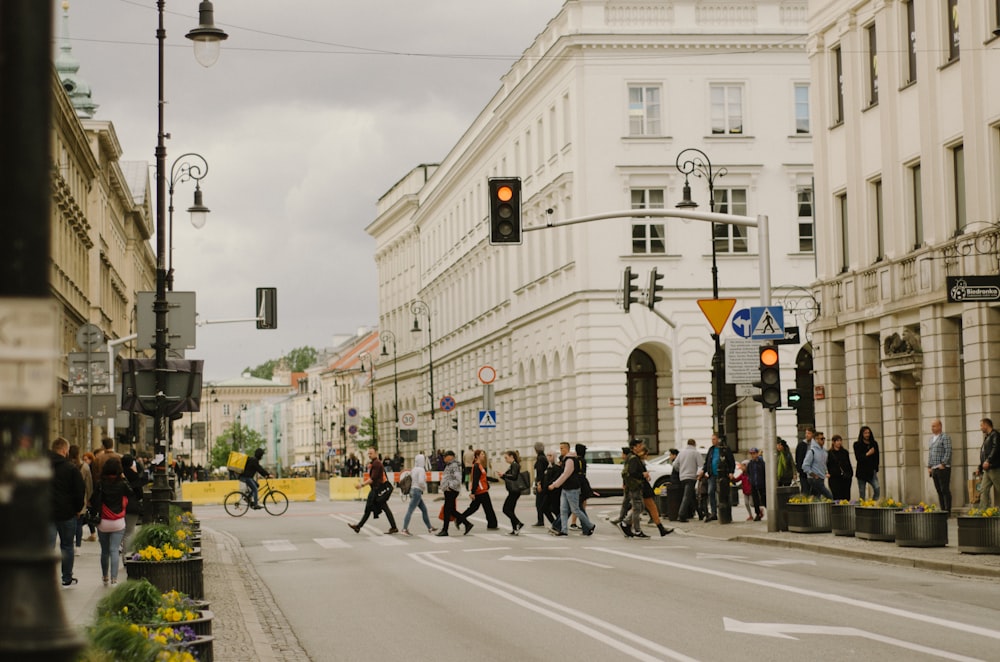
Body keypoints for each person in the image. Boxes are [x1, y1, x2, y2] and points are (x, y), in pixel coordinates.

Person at [91, 456, 133, 585]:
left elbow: (93, 500)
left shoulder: (100, 484)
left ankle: (105, 577)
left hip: (103, 521)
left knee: (105, 551)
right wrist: (124, 479)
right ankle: (114, 579)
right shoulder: (122, 484)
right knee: (114, 550)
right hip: (118, 522)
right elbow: (131, 493)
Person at [50, 437, 85, 587]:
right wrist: (77, 509)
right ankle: (66, 577)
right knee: (67, 546)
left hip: (45, 513)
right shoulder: (71, 469)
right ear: (65, 450)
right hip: (66, 513)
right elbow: (79, 491)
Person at [548, 442, 595, 536]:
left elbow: (566, 474)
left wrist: (554, 485)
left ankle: (590, 525)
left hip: (572, 488)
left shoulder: (570, 460)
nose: (560, 450)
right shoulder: (566, 459)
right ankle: (564, 530)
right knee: (563, 510)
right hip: (566, 488)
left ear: (567, 449)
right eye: (560, 448)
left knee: (575, 510)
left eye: (562, 448)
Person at [349, 447, 398, 534]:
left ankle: (359, 526)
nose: (369, 455)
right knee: (375, 508)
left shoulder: (377, 464)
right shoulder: (375, 463)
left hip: (377, 490)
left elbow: (372, 479)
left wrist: (361, 485)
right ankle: (359, 526)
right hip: (377, 490)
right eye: (368, 453)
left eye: (371, 453)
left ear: (376, 453)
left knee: (370, 508)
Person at [460, 449, 499, 529]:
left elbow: (483, 477)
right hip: (481, 490)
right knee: (488, 508)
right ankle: (492, 524)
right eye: (482, 454)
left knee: (473, 508)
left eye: (484, 454)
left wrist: (494, 479)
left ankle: (459, 519)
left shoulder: (480, 465)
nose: (484, 456)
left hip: (481, 490)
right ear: (477, 456)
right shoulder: (477, 466)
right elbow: (475, 480)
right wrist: (472, 492)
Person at [436, 450, 472, 536]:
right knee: (451, 510)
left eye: (445, 456)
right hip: (449, 490)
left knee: (447, 510)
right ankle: (467, 524)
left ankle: (445, 530)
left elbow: (458, 479)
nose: (444, 458)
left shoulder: (454, 465)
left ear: (451, 456)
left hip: (451, 490)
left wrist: (449, 486)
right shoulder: (449, 465)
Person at [700, 433, 735, 522]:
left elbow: (731, 461)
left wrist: (731, 472)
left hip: (723, 475)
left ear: (719, 439)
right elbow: (707, 461)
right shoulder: (711, 450)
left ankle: (725, 513)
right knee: (710, 492)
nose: (713, 441)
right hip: (712, 475)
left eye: (714, 439)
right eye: (712, 439)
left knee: (723, 494)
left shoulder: (725, 449)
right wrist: (703, 470)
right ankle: (714, 512)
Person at [400, 454, 436, 535]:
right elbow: (420, 482)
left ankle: (430, 527)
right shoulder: (421, 470)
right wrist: (424, 487)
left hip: (412, 491)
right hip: (417, 492)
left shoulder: (414, 469)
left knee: (424, 510)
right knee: (410, 510)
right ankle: (404, 529)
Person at [120, 454, 145, 554]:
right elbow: (140, 493)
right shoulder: (134, 475)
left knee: (121, 531)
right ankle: (127, 556)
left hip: (118, 506)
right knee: (129, 532)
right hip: (131, 506)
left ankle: (120, 547)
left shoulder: (118, 475)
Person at [927, 419, 952, 513]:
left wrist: (943, 463)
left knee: (944, 489)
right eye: (932, 426)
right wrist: (929, 466)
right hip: (934, 468)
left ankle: (947, 510)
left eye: (934, 426)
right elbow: (930, 453)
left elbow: (948, 451)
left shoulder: (945, 437)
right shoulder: (931, 439)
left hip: (943, 468)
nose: (932, 428)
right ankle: (942, 509)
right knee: (939, 490)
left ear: (940, 426)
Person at [498, 450, 525, 535]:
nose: (505, 460)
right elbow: (508, 478)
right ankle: (515, 529)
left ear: (511, 457)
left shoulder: (515, 465)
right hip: (512, 491)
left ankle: (518, 523)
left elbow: (514, 477)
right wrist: (502, 476)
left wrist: (504, 475)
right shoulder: (512, 465)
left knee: (505, 509)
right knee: (510, 510)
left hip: (515, 491)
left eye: (506, 457)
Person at [675, 439, 700, 522]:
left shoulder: (681, 453)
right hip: (691, 477)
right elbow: (701, 465)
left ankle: (700, 513)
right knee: (687, 496)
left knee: (691, 496)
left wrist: (680, 470)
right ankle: (681, 515)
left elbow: (675, 464)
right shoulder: (695, 453)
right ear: (694, 444)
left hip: (682, 477)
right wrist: (698, 474)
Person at [802, 431, 833, 499]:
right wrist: (814, 475)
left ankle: (814, 508)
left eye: (824, 438)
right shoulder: (811, 451)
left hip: (821, 477)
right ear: (816, 439)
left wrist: (825, 472)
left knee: (816, 497)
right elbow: (805, 466)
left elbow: (823, 464)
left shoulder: (824, 451)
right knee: (829, 496)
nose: (823, 440)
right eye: (821, 439)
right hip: (814, 478)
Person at [854, 426, 881, 500]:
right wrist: (867, 454)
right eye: (865, 433)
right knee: (862, 493)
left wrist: (875, 468)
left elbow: (877, 457)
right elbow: (858, 458)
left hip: (871, 471)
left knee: (877, 488)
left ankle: (873, 503)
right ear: (862, 434)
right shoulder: (857, 444)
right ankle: (862, 507)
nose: (867, 435)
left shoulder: (874, 444)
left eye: (868, 433)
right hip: (861, 472)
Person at [978, 418, 1000, 508]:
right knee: (983, 489)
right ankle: (983, 511)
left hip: (994, 468)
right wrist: (980, 467)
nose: (980, 428)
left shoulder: (995, 435)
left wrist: (988, 461)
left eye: (981, 425)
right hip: (987, 469)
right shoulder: (988, 436)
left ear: (986, 425)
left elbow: (996, 448)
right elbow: (984, 453)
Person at [826, 435, 853, 501]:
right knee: (836, 496)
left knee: (846, 496)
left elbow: (848, 464)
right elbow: (826, 464)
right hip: (834, 478)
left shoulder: (844, 452)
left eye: (840, 440)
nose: (839, 442)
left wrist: (850, 474)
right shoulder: (829, 453)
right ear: (833, 442)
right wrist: (827, 473)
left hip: (845, 477)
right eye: (837, 441)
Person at [532, 442, 551, 526]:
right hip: (544, 482)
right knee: (542, 503)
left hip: (541, 483)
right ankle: (541, 520)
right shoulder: (544, 458)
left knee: (539, 503)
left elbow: (540, 472)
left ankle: (541, 521)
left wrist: (538, 483)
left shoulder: (540, 459)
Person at [747, 447, 766, 521]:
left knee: (764, 498)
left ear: (757, 454)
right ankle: (758, 513)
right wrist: (750, 479)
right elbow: (748, 472)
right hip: (754, 484)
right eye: (751, 454)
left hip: (761, 483)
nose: (752, 455)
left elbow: (764, 472)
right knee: (755, 500)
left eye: (754, 453)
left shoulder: (761, 463)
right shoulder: (750, 463)